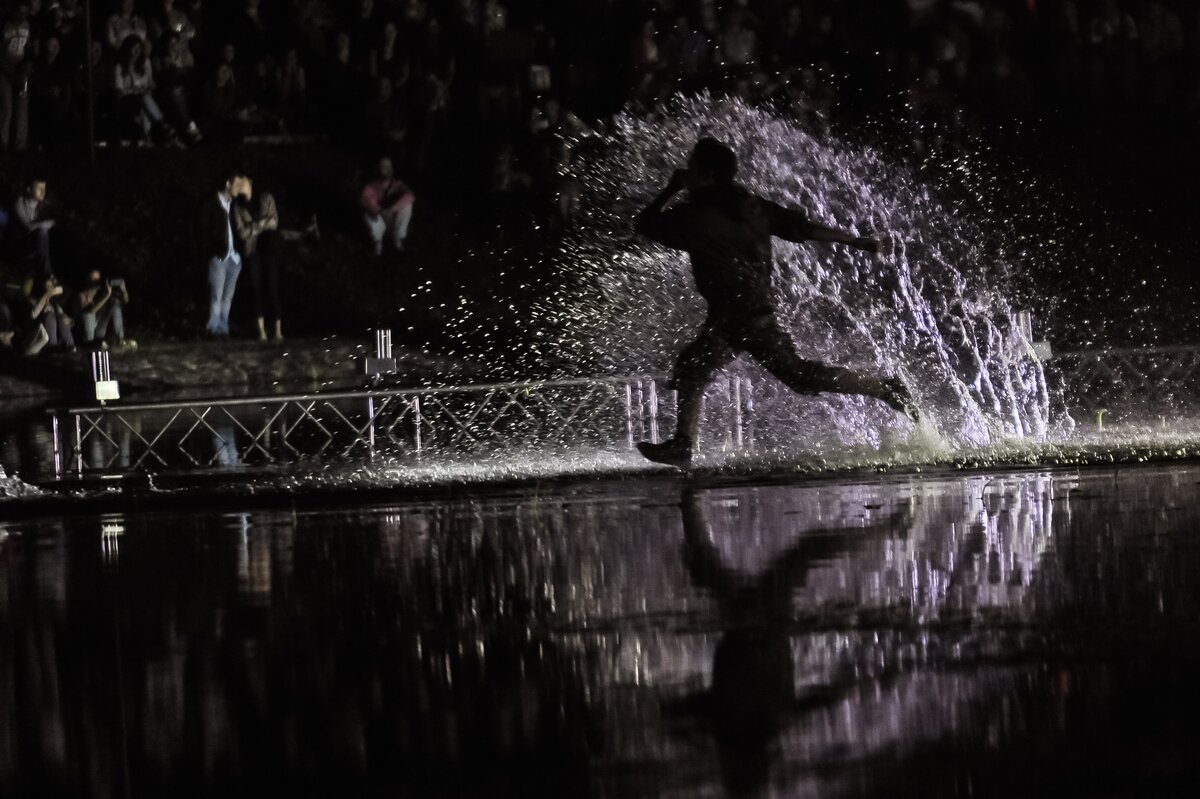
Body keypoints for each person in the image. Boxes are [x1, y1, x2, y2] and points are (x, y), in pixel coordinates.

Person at [634, 137, 918, 468]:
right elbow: (801, 228)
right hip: (736, 312)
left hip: (743, 315)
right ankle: (682, 445)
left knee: (801, 376)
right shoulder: (752, 207)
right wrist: (854, 240)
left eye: (692, 167)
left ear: (707, 175)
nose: (685, 171)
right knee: (694, 367)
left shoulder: (695, 216)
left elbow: (644, 224)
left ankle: (886, 388)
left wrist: (671, 189)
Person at [232, 179, 282, 341]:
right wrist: (261, 224)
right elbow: (242, 232)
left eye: (243, 182)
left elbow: (274, 222)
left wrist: (253, 226)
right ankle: (261, 331)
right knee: (256, 289)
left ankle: (278, 331)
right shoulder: (238, 207)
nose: (241, 185)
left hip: (269, 248)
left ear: (250, 183)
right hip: (252, 250)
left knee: (272, 287)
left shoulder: (266, 198)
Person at [198, 173, 246, 336]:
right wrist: (211, 251)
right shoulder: (211, 204)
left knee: (227, 296)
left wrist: (239, 253)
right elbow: (203, 230)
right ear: (228, 184)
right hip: (219, 255)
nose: (239, 189)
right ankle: (213, 328)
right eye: (237, 185)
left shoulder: (235, 206)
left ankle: (223, 327)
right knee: (217, 295)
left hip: (234, 257)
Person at [360, 156, 414, 255]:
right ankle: (378, 243)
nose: (388, 169)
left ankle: (397, 238)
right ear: (377, 169)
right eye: (384, 166)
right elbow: (364, 199)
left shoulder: (397, 184)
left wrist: (393, 208)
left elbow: (410, 196)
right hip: (380, 220)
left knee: (407, 205)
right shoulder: (371, 186)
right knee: (367, 212)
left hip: (393, 220)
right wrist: (379, 210)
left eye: (389, 166)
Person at [75, 269, 135, 350]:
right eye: (93, 278)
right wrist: (106, 296)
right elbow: (91, 311)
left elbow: (125, 301)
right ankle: (89, 344)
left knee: (115, 304)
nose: (96, 281)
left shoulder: (102, 292)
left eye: (98, 278)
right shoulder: (81, 295)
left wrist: (123, 290)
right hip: (84, 333)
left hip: (98, 330)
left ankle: (120, 340)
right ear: (87, 280)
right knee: (88, 315)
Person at [12, 178, 55, 275]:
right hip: (20, 244)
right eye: (39, 188)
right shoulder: (20, 203)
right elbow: (29, 226)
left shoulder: (43, 205)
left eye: (44, 188)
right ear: (29, 189)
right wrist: (49, 223)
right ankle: (46, 273)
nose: (43, 192)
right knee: (43, 231)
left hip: (37, 245)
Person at [24, 272, 73, 352]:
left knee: (61, 317)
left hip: (60, 340)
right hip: (39, 338)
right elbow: (33, 316)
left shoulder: (54, 302)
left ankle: (70, 347)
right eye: (50, 280)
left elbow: (65, 318)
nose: (53, 283)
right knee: (49, 315)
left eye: (54, 281)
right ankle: (52, 349)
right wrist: (46, 295)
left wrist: (70, 321)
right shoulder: (32, 300)